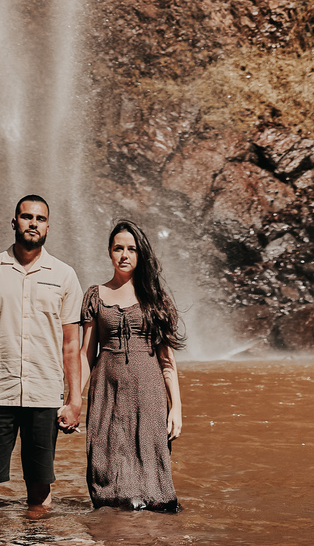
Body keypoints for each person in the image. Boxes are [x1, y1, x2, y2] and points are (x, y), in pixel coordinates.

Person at [0, 193, 84, 516]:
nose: (33, 223)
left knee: (40, 490)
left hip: (44, 395)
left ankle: (36, 538)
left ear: (48, 226)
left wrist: (75, 400)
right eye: (27, 217)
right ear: (14, 222)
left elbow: (72, 344)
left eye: (40, 219)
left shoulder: (64, 275)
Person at [80, 218, 184, 512]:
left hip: (148, 395)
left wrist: (176, 407)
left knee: (151, 466)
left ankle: (153, 526)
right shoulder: (95, 295)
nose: (124, 255)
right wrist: (72, 400)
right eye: (118, 248)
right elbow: (86, 355)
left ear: (141, 254)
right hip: (106, 393)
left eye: (131, 249)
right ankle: (113, 525)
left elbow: (167, 359)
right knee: (106, 462)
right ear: (109, 252)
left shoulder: (155, 298)